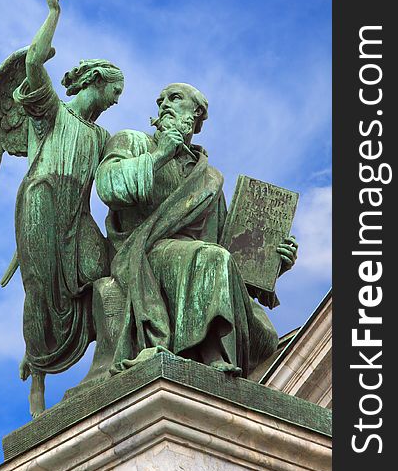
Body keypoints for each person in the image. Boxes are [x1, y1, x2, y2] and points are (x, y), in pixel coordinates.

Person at [92, 83, 298, 377]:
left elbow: (230, 252)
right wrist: (160, 154)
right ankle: (212, 353)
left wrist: (273, 264)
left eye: (174, 98)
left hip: (198, 261)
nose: (164, 104)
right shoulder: (132, 141)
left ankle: (209, 350)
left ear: (197, 113)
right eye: (161, 100)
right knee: (211, 257)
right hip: (143, 253)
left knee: (264, 335)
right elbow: (109, 186)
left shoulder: (211, 178)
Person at [15, 0, 124, 416]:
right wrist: (53, 14)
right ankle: (37, 372)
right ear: (96, 82)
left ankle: (111, 356)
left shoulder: (101, 136)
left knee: (106, 272)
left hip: (76, 215)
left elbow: (117, 179)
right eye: (115, 89)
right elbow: (31, 60)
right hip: (41, 202)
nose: (118, 99)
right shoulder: (52, 110)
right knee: (40, 290)